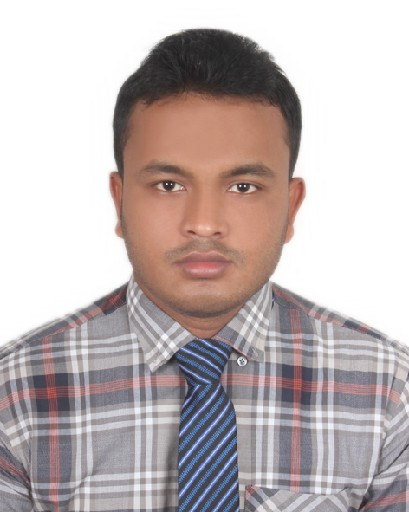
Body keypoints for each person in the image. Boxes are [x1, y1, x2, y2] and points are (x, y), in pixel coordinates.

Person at [0, 28, 408, 512]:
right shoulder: (17, 394)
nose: (204, 223)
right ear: (119, 200)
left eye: (243, 187)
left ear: (291, 207)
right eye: (169, 185)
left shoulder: (387, 392)